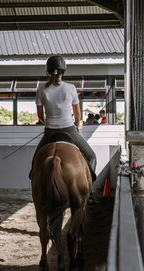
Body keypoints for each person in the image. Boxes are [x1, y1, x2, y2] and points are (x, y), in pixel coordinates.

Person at [30, 55, 97, 183]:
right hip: (69, 130)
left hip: (49, 132)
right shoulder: (71, 88)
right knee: (91, 156)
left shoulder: (40, 89)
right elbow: (77, 114)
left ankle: (35, 187)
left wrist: (49, 123)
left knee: (34, 163)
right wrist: (77, 125)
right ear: (63, 71)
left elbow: (40, 116)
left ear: (48, 72)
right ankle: (90, 191)